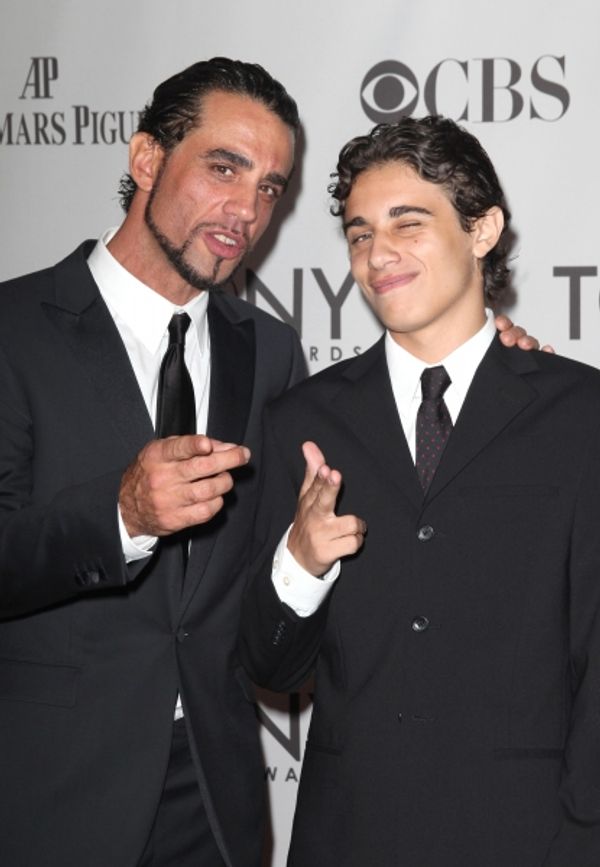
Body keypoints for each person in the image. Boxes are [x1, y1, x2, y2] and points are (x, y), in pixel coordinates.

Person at [240, 116, 600, 866]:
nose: (379, 254)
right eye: (360, 232)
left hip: (530, 836)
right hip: (349, 837)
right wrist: (298, 567)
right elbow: (269, 669)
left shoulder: (581, 414)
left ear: (483, 229)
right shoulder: (302, 421)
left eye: (410, 222)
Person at [0, 57, 306, 867]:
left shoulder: (270, 352)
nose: (246, 210)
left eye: (270, 187)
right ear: (145, 159)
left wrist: (491, 353)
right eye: (223, 167)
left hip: (213, 795)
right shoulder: (14, 328)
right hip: (48, 791)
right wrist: (121, 516)